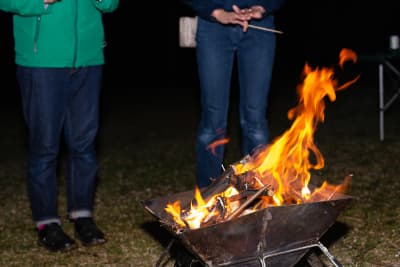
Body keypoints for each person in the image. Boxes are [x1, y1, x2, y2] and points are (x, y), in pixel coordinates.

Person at [0, 0, 119, 252]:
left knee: (84, 145)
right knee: (44, 147)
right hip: (41, 61)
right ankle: (46, 223)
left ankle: (82, 215)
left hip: (89, 59)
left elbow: (111, 4)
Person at [181, 0, 286, 188]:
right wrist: (214, 11)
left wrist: (263, 7)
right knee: (213, 120)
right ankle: (208, 197)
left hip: (259, 27)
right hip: (213, 26)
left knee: (255, 119)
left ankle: (255, 193)